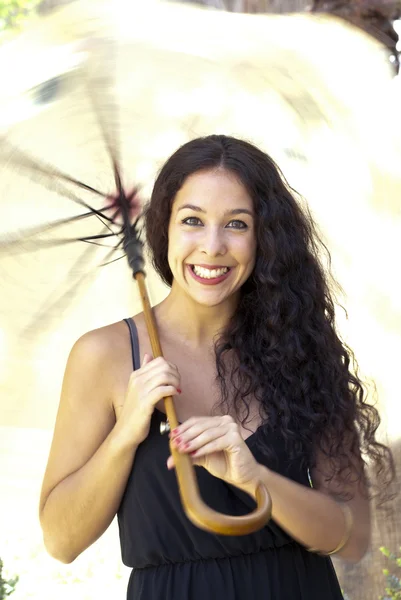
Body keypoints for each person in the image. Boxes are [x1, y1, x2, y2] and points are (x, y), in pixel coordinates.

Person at [39, 135, 394, 599]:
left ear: (263, 236)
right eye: (192, 220)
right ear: (164, 226)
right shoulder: (103, 356)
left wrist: (255, 479)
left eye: (237, 224)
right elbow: (61, 541)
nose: (212, 246)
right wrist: (125, 432)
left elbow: (352, 538)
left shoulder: (303, 348)